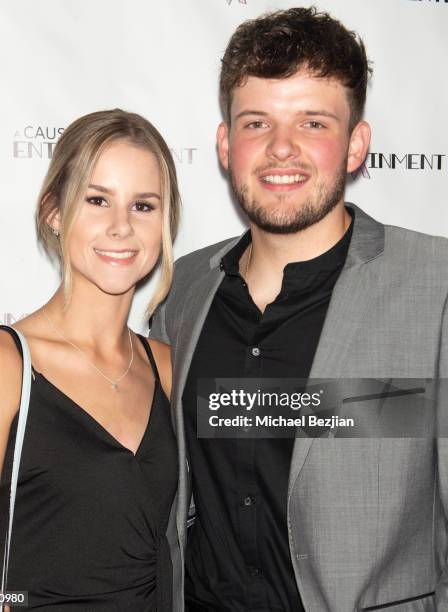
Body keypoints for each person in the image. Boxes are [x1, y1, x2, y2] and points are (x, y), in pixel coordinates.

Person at [150, 7, 448, 612]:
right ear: (226, 144)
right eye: (257, 122)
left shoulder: (434, 287)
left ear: (357, 144)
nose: (281, 148)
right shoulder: (180, 295)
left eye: (313, 122)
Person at [0, 109, 181, 611]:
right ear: (55, 211)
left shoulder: (167, 368)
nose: (120, 227)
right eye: (97, 200)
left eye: (143, 206)